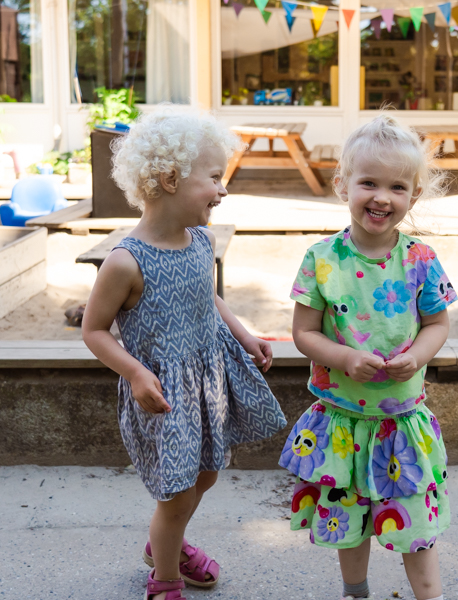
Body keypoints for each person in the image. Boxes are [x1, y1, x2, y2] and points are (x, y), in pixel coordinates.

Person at [82, 108, 287, 600]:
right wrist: (134, 372)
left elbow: (209, 298)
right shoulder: (125, 261)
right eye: (215, 177)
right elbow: (94, 331)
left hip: (207, 380)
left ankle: (164, 543)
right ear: (170, 179)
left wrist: (244, 335)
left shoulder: (201, 241)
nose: (223, 189)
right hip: (165, 393)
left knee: (208, 474)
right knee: (176, 494)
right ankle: (165, 577)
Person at [279, 114, 456, 600]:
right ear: (343, 186)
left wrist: (417, 356)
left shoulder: (421, 259)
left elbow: (439, 325)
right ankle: (355, 591)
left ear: (413, 196)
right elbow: (303, 332)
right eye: (369, 183)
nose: (382, 197)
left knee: (415, 526)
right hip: (342, 419)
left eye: (397, 187)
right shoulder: (322, 258)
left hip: (401, 421)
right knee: (350, 522)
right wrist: (341, 356)